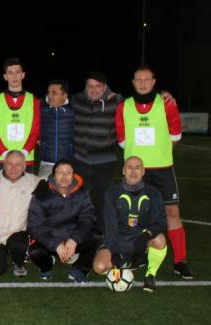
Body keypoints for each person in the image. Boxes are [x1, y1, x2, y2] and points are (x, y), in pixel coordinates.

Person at [115, 65, 192, 279]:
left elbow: (175, 135)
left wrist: (159, 153)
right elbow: (121, 139)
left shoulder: (166, 103)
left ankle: (180, 261)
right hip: (136, 172)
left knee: (172, 214)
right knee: (135, 215)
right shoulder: (124, 106)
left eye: (146, 79)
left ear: (154, 81)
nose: (142, 83)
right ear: (133, 82)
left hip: (163, 169)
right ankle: (139, 254)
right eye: (138, 79)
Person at [92, 156, 167, 292]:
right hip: (117, 240)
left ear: (143, 171)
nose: (133, 171)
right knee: (99, 267)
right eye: (129, 167)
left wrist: (146, 237)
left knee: (160, 239)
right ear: (123, 170)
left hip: (140, 240)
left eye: (137, 168)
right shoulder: (112, 192)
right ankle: (122, 264)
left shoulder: (154, 193)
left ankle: (150, 274)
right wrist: (114, 252)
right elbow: (110, 225)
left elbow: (160, 222)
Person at [28, 159, 98, 284]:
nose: (64, 176)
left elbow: (88, 218)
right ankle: (48, 264)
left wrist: (74, 239)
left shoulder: (82, 192)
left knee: (96, 236)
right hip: (52, 240)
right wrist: (56, 244)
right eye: (60, 172)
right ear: (53, 175)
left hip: (73, 239)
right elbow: (34, 226)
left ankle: (80, 269)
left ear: (74, 175)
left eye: (68, 172)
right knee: (34, 252)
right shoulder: (41, 194)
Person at [71, 72, 124, 232]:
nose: (94, 90)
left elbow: (140, 101)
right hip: (80, 160)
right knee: (81, 198)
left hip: (104, 162)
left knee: (103, 200)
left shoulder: (117, 101)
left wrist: (163, 94)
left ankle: (103, 235)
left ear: (105, 87)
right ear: (85, 87)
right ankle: (83, 232)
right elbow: (54, 99)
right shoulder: (76, 100)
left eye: (98, 86)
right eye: (90, 86)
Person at [0, 150, 40, 277]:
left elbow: (56, 180)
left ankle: (18, 262)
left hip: (16, 235)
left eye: (18, 164)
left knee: (20, 242)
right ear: (4, 164)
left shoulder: (33, 181)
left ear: (24, 166)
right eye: (10, 164)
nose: (13, 168)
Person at [0, 58, 40, 172]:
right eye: (10, 73)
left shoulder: (33, 100)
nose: (14, 76)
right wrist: (5, 153)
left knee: (25, 190)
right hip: (2, 158)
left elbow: (35, 131)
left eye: (17, 72)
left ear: (23, 75)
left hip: (26, 158)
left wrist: (24, 152)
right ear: (5, 76)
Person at [38, 79, 75, 177]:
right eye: (49, 92)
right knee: (43, 191)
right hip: (46, 162)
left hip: (67, 163)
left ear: (64, 95)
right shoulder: (40, 109)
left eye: (54, 93)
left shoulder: (74, 110)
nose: (50, 96)